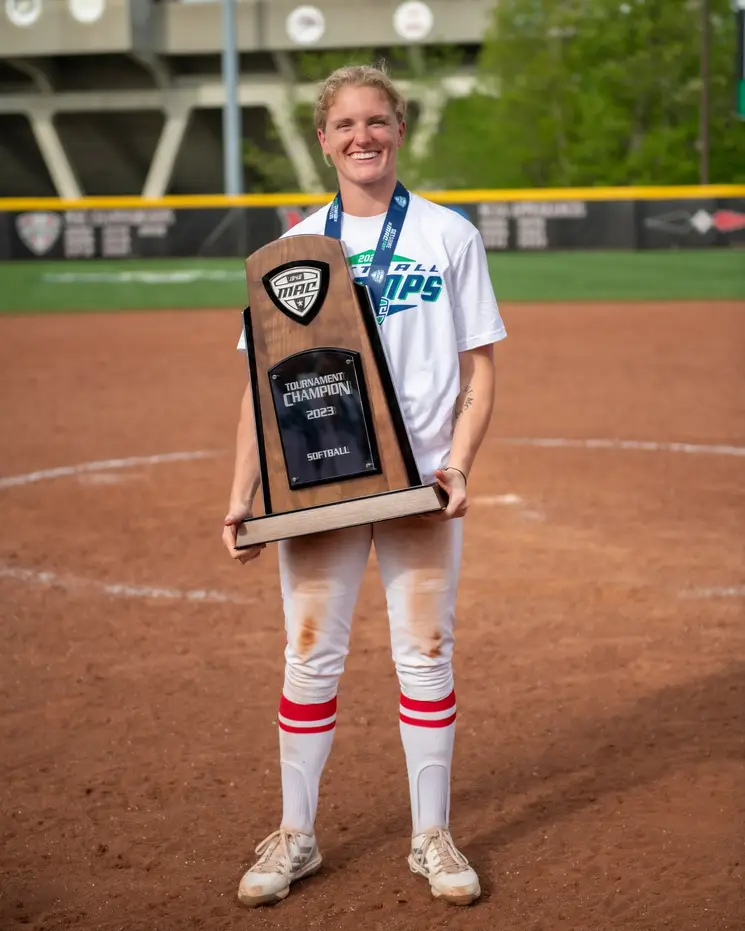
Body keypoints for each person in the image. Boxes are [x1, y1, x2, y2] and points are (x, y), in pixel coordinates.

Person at [222, 63, 507, 909]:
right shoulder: (290, 253)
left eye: (376, 121)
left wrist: (457, 464)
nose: (362, 136)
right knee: (309, 656)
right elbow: (259, 391)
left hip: (419, 485)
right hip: (320, 490)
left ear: (398, 129)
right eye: (345, 124)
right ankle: (297, 834)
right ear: (322, 139)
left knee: (425, 654)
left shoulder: (448, 237)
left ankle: (430, 834)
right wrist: (241, 493)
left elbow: (478, 371)